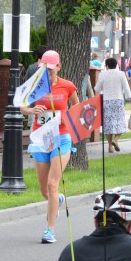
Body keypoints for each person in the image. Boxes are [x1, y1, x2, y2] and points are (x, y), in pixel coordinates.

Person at [18, 50, 79, 244]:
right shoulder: (34, 85)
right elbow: (22, 107)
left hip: (61, 137)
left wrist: (70, 124)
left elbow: (76, 106)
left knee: (53, 184)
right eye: (45, 69)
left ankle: (49, 229)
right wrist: (31, 110)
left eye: (52, 69)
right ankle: (56, 200)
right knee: (44, 190)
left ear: (59, 67)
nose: (49, 72)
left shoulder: (67, 86)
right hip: (40, 138)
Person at [95, 57, 131, 152]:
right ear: (116, 65)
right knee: (119, 121)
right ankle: (116, 140)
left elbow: (97, 89)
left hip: (107, 101)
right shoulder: (121, 74)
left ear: (107, 66)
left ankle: (109, 146)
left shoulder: (102, 74)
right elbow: (126, 88)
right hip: (118, 100)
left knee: (108, 124)